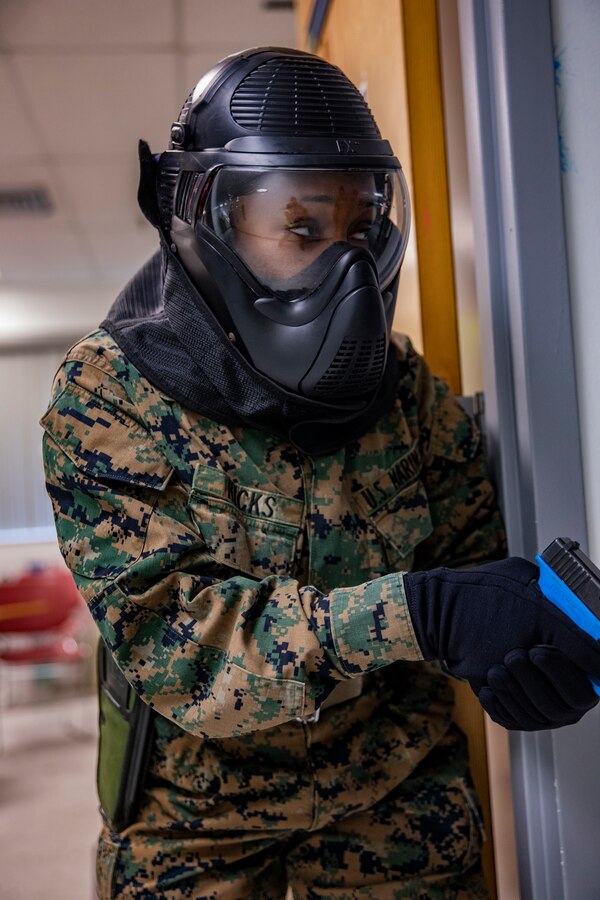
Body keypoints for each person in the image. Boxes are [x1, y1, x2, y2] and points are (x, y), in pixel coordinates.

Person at [41, 47, 600, 899]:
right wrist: (418, 613)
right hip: (198, 821)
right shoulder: (113, 394)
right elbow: (182, 652)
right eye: (301, 228)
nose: (345, 269)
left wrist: (515, 660)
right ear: (205, 221)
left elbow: (471, 570)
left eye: (361, 229)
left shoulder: (403, 390)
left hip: (395, 798)